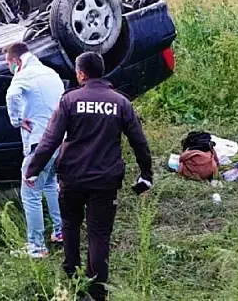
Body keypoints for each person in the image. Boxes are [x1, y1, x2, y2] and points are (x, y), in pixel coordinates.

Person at [24, 51, 153, 301]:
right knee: (99, 233)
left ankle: (72, 275)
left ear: (81, 73)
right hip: (105, 181)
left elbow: (50, 140)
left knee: (71, 224)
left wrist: (32, 170)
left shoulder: (69, 101)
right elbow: (139, 141)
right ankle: (96, 290)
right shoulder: (121, 103)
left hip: (72, 177)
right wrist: (146, 174)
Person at [3, 41, 65, 258]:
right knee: (49, 184)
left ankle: (36, 247)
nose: (9, 68)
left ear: (16, 61)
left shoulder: (24, 75)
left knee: (30, 194)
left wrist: (17, 120)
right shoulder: (51, 74)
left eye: (8, 64)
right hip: (58, 141)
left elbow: (11, 96)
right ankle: (60, 231)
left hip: (38, 144)